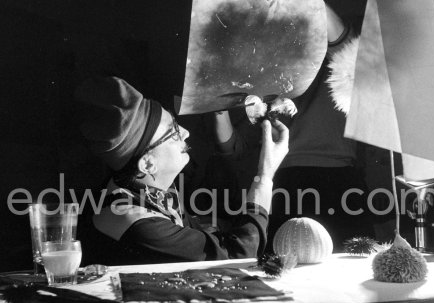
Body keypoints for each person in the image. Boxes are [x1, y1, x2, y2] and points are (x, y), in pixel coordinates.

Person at [214, 0, 373, 250]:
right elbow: (235, 147)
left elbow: (346, 48)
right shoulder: (263, 78)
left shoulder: (337, 62)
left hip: (340, 181)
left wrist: (313, 1)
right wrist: (215, 105)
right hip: (288, 183)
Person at [75, 76, 289, 263]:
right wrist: (265, 175)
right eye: (173, 133)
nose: (186, 133)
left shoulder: (152, 187)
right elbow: (238, 256)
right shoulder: (132, 221)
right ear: (148, 164)